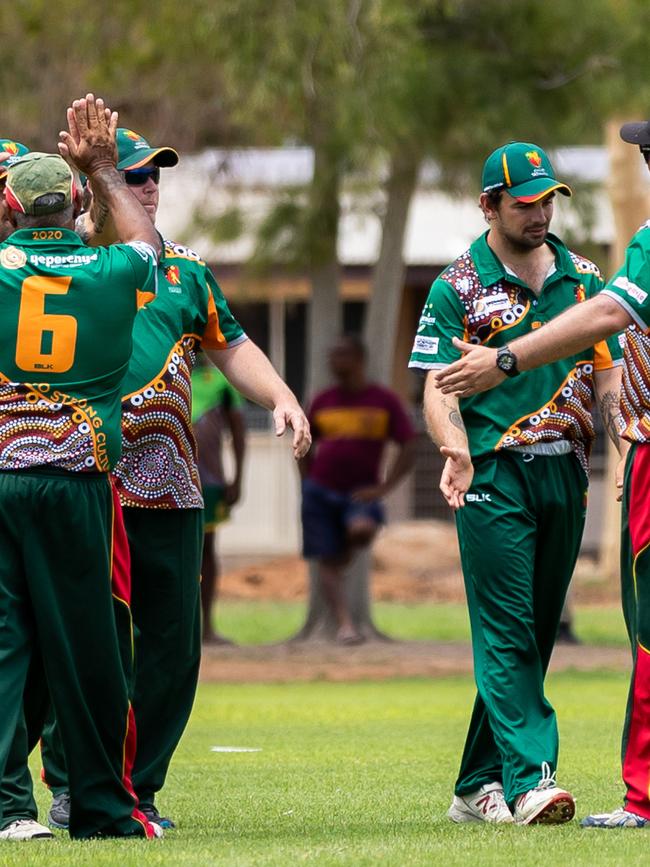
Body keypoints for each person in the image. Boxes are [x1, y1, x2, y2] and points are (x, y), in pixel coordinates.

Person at [40, 127, 311, 831]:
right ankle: (76, 781)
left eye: (156, 176)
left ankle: (140, 783)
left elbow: (233, 344)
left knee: (173, 645)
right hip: (88, 481)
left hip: (172, 487)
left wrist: (280, 396)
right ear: (95, 188)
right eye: (135, 178)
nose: (152, 188)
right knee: (92, 640)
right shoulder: (63, 266)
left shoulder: (186, 270)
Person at [435, 125, 650, 829]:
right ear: (488, 205)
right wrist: (455, 449)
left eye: (548, 198)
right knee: (506, 632)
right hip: (495, 474)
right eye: (524, 202)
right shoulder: (456, 283)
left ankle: (475, 781)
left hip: (567, 474)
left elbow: (610, 368)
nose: (540, 212)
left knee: (528, 637)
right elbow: (437, 388)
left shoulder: (583, 278)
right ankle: (531, 780)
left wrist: (626, 449)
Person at [0, 95, 162, 841]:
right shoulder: (111, 273)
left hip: (3, 481)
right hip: (78, 483)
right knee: (89, 645)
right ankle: (97, 803)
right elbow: (146, 242)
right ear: (74, 205)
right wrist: (100, 168)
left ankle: (8, 810)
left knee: (8, 643)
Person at [300, 334, 416, 644]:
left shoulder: (383, 400)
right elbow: (304, 444)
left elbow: (409, 444)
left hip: (361, 492)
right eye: (332, 356)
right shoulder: (322, 401)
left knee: (361, 530)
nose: (335, 362)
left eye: (342, 355)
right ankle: (345, 625)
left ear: (359, 360)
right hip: (321, 490)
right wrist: (307, 482)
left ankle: (343, 555)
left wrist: (385, 487)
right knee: (325, 560)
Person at [192, 360, 246, 645]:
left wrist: (238, 477)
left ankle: (207, 627)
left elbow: (238, 430)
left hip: (209, 480)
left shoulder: (221, 382)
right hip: (163, 477)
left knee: (206, 551)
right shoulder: (159, 367)